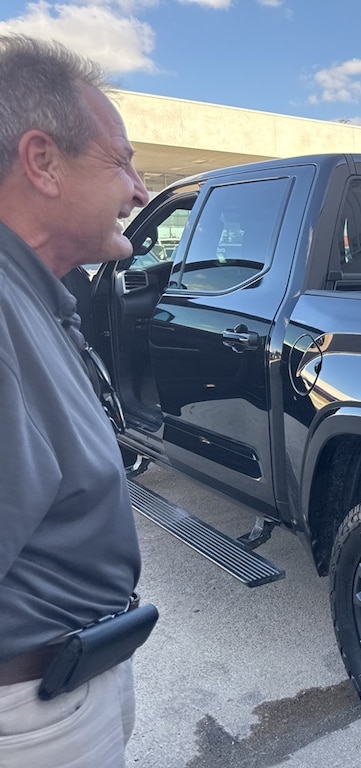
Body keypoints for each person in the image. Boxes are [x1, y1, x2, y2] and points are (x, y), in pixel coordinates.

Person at [0, 35, 149, 766]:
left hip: (74, 679)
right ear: (42, 162)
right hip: (32, 713)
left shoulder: (31, 296)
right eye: (122, 162)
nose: (140, 190)